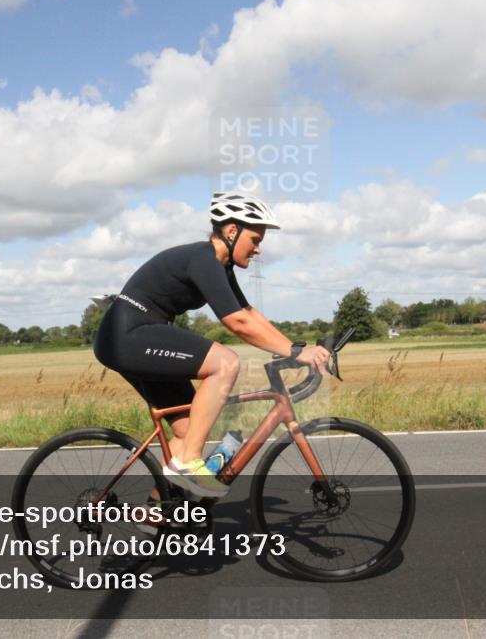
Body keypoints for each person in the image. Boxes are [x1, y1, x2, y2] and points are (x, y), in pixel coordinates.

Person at [93, 191, 331, 498]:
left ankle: (157, 510)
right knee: (226, 362)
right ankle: (187, 465)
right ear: (232, 231)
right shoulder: (203, 259)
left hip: (132, 335)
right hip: (128, 333)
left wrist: (294, 347)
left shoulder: (220, 265)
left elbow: (249, 313)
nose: (258, 249)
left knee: (189, 430)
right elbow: (236, 322)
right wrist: (296, 353)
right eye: (255, 240)